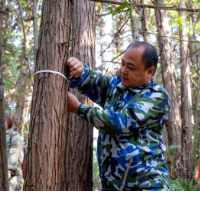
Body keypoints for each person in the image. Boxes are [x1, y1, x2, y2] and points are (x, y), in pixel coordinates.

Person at [67, 42, 170, 191]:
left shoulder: (157, 97)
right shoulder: (115, 87)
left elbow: (120, 123)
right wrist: (77, 68)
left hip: (147, 187)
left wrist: (79, 109)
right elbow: (88, 79)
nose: (123, 70)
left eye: (131, 67)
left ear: (149, 71)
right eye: (122, 64)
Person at [5, 113, 24, 191]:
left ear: (8, 122)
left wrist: (8, 170)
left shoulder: (14, 135)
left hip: (13, 178)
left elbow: (15, 152)